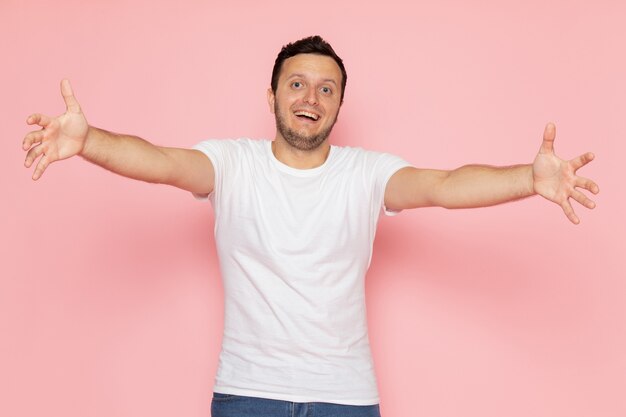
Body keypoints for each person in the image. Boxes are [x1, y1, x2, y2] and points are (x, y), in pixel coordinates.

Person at [22, 36, 598, 417]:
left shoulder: (366, 174)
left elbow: (444, 185)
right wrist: (89, 141)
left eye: (327, 89)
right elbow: (161, 162)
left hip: (346, 398)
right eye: (297, 83)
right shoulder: (232, 164)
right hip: (248, 395)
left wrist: (529, 177)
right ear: (271, 94)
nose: (311, 98)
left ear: (339, 105)